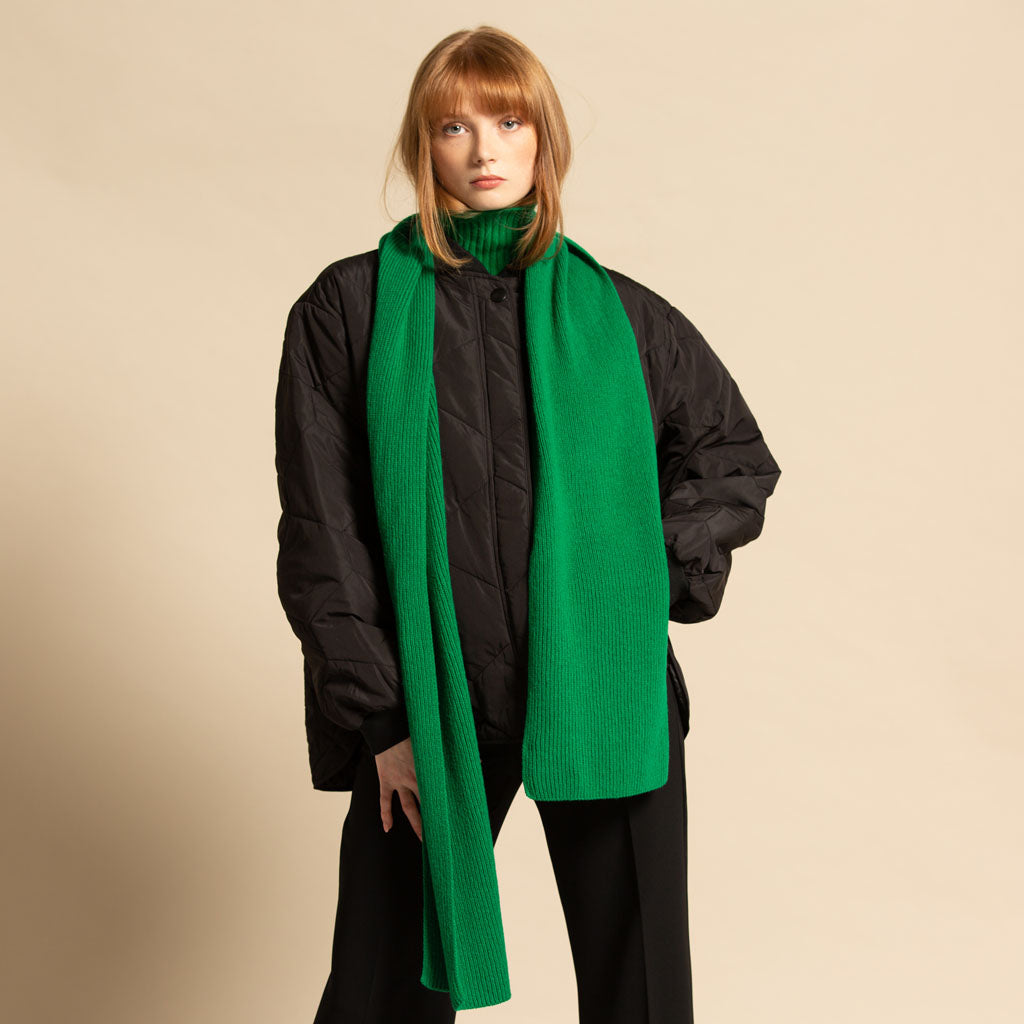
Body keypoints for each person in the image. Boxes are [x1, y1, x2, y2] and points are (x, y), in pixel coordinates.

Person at [274, 24, 782, 1023]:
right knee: (381, 989)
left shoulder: (623, 317)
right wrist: (380, 722)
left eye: (508, 122)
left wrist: (632, 573)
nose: (484, 150)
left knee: (640, 995)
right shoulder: (348, 310)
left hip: (600, 683)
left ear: (543, 136)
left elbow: (734, 460)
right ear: (423, 144)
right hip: (427, 695)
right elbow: (323, 535)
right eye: (453, 126)